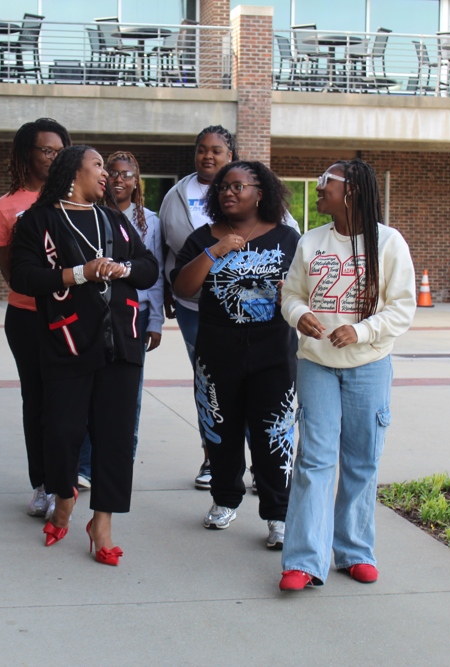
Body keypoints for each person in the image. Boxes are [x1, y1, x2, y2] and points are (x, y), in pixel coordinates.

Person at [9, 145, 159, 566]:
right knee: (60, 430)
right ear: (73, 172)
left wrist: (122, 269)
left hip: (122, 342)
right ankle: (63, 496)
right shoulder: (39, 219)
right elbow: (22, 276)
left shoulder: (113, 219)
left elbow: (148, 266)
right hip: (67, 342)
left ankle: (103, 523)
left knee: (114, 438)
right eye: (98, 166)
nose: (107, 174)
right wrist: (80, 273)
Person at [278, 159, 416, 591]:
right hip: (317, 363)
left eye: (326, 183)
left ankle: (354, 551)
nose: (318, 189)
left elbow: (402, 308)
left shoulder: (388, 243)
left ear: (352, 190)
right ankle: (303, 561)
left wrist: (360, 330)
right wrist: (299, 315)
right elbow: (291, 294)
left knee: (361, 460)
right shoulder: (311, 241)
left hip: (369, 364)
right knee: (315, 459)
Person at [171, 161, 299, 549]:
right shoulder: (202, 238)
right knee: (221, 429)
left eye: (238, 186)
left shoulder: (287, 238)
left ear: (260, 193)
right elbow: (183, 288)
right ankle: (225, 500)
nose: (228, 192)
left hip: (273, 352)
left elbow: (304, 290)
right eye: (223, 187)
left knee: (273, 432)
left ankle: (278, 514)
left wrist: (288, 294)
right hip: (218, 351)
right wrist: (216, 251)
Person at [0, 118, 71, 517]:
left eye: (59, 150)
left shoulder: (74, 200)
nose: (53, 157)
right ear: (28, 155)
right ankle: (41, 485)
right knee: (36, 401)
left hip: (70, 317)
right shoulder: (7, 206)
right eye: (46, 150)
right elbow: (10, 270)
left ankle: (65, 482)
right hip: (26, 318)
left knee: (65, 403)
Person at [159, 125, 237, 490]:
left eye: (216, 150)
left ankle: (254, 459)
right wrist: (167, 291)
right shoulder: (177, 195)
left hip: (243, 304)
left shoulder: (250, 187)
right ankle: (212, 457)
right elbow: (164, 248)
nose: (208, 156)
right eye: (202, 149)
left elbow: (284, 232)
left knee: (246, 380)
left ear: (230, 155)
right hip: (194, 304)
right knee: (208, 382)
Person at [105, 151, 164, 458]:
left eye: (126, 174)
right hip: (100, 311)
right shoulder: (93, 213)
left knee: (129, 390)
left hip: (135, 315)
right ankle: (87, 463)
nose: (119, 179)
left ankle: (124, 454)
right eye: (113, 172)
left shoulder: (149, 221)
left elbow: (155, 275)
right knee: (97, 386)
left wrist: (155, 321)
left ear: (136, 182)